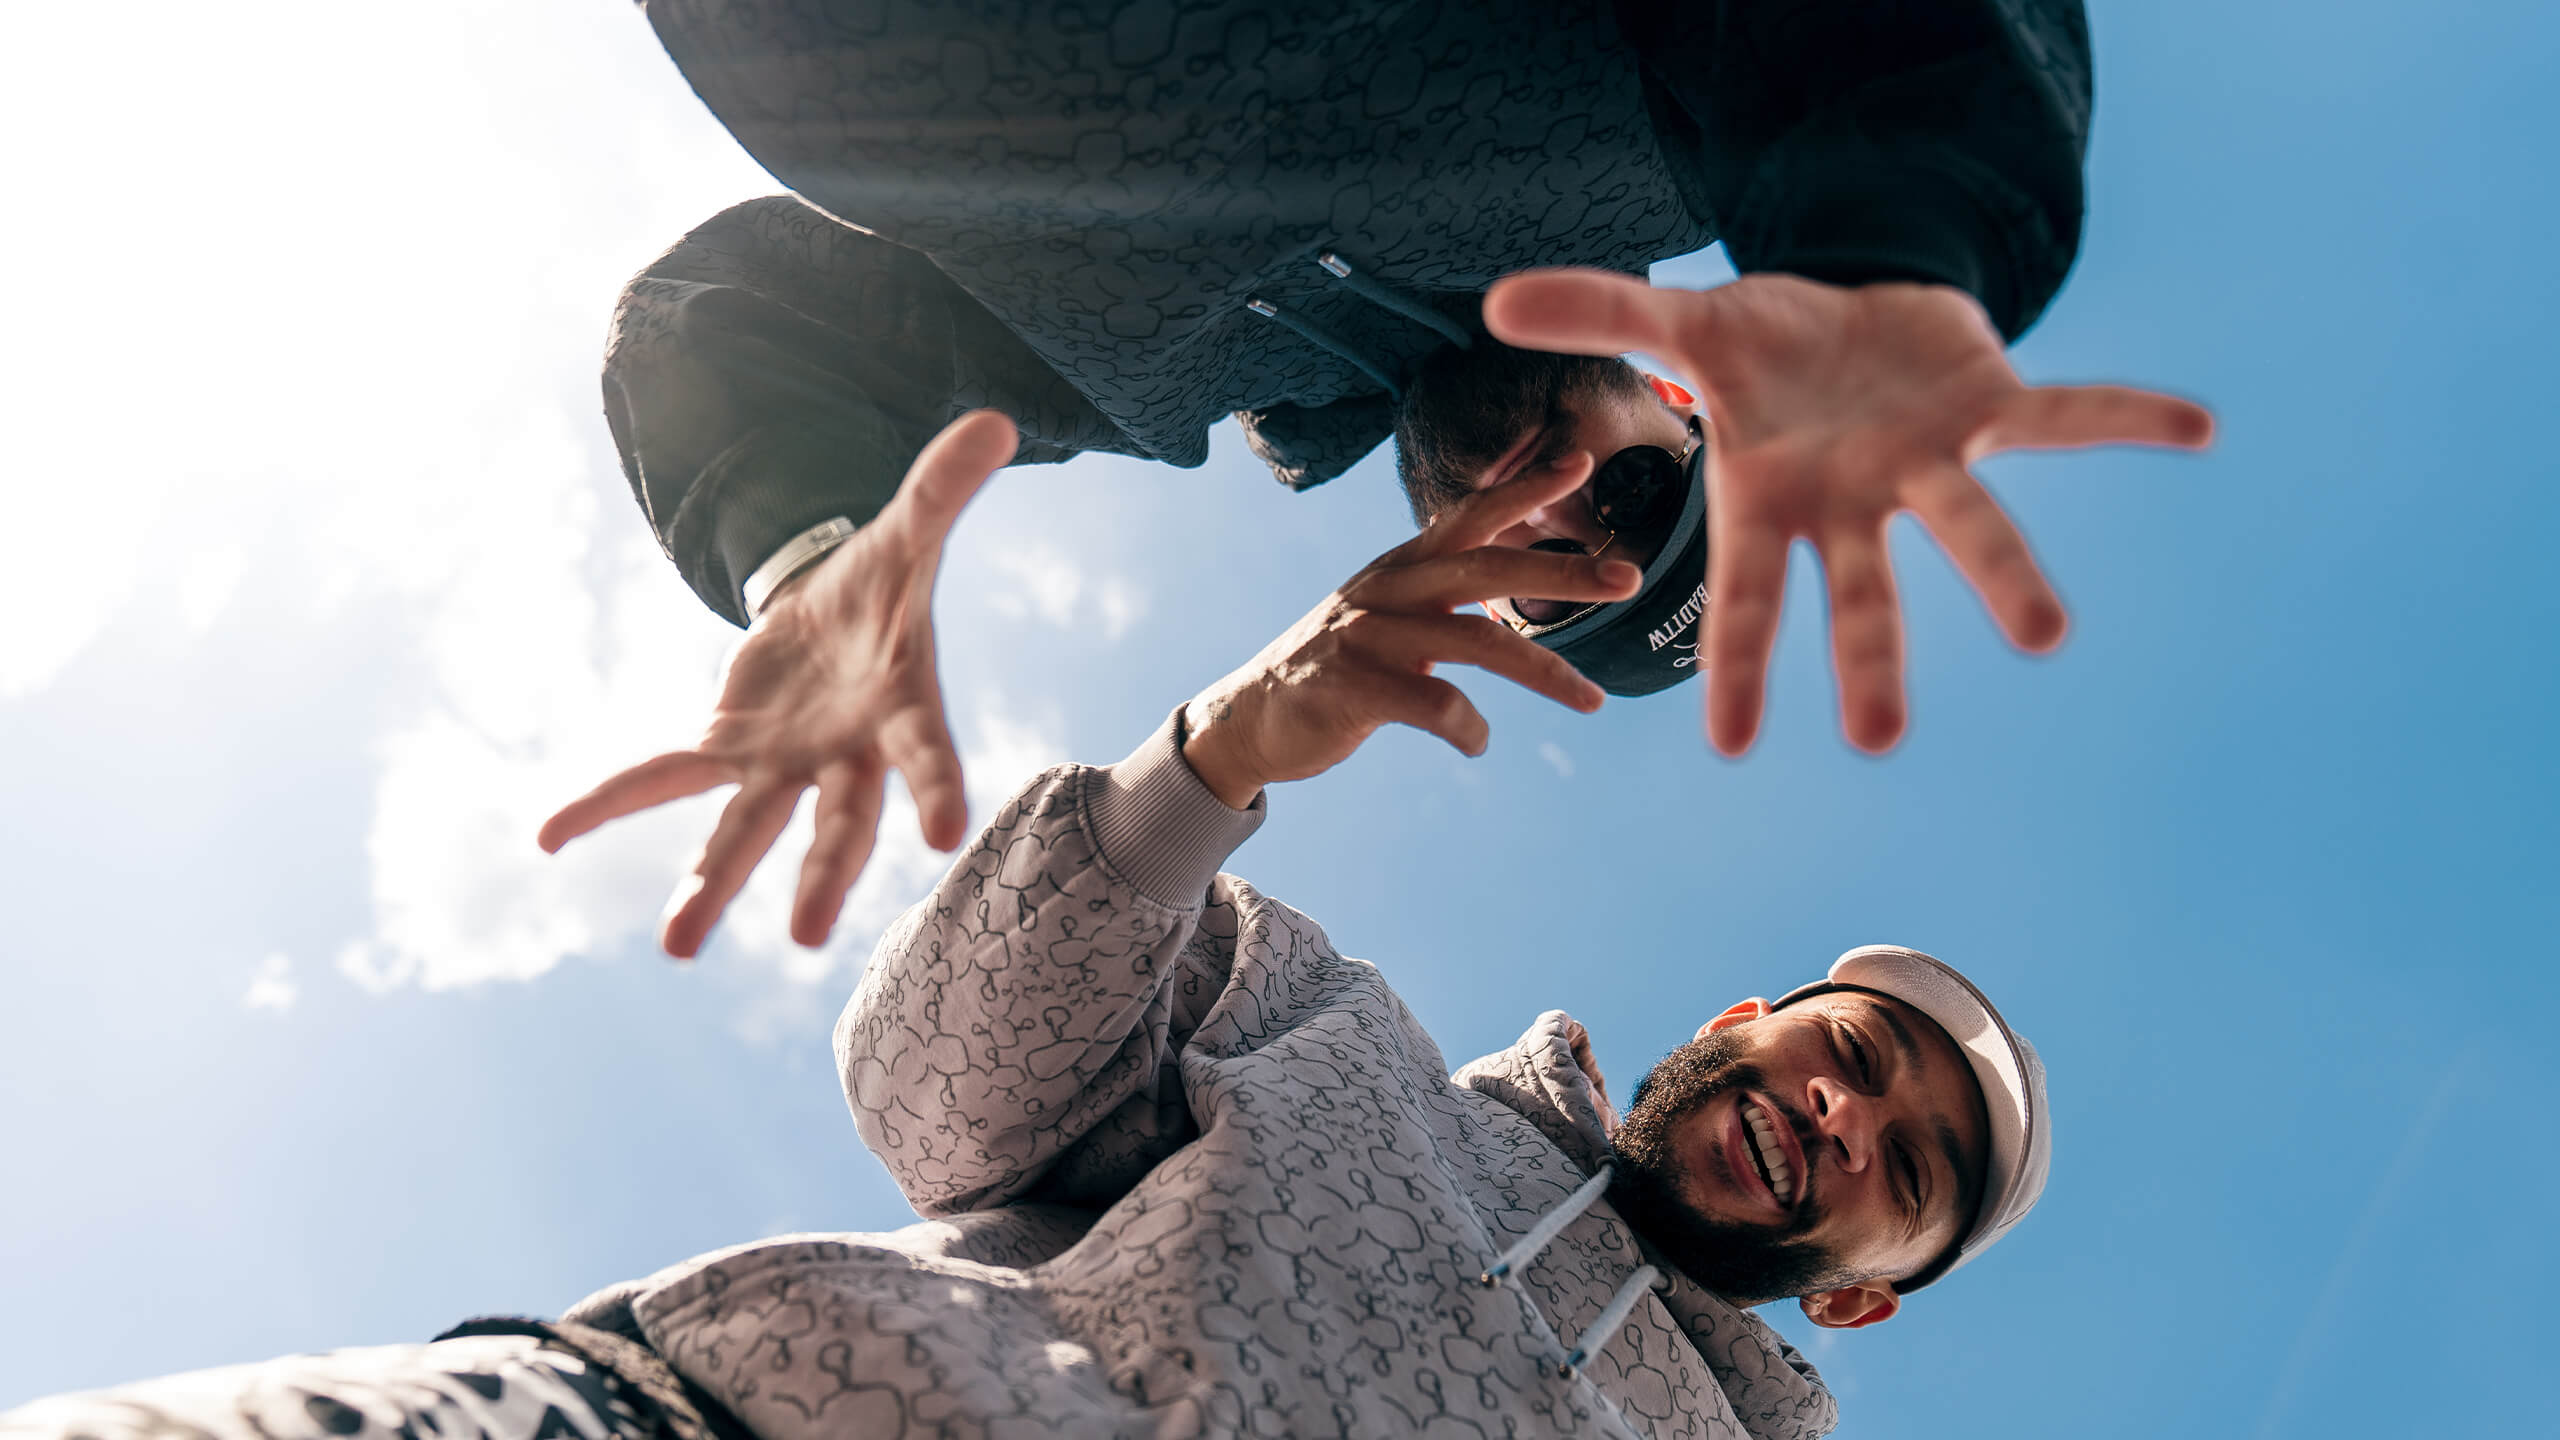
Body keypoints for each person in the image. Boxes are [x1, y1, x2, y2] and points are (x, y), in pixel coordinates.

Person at [9, 438, 2050, 1440]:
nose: (1845, 1117)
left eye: (1912, 1170)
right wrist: (1224, 750)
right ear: (1749, 1026)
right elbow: (930, 1081)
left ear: (1866, 1299)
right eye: (1852, 1054)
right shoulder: (1314, 1021)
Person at [583, 0, 2214, 955]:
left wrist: (802, 559)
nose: (1564, 501)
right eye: (1637, 503)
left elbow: (729, 315)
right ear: (1677, 397)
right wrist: (1884, 260)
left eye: (1546, 569)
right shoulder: (1644, 123)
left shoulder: (1141, 385)